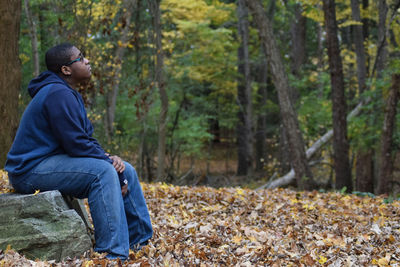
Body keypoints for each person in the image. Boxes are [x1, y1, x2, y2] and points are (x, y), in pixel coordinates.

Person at [4, 43, 153, 260]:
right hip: (28, 170)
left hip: (51, 162)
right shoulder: (56, 93)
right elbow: (75, 143)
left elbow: (84, 139)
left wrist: (112, 161)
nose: (87, 61)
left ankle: (139, 242)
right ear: (66, 69)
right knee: (103, 172)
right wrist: (109, 164)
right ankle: (111, 254)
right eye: (81, 58)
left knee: (126, 169)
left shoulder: (66, 93)